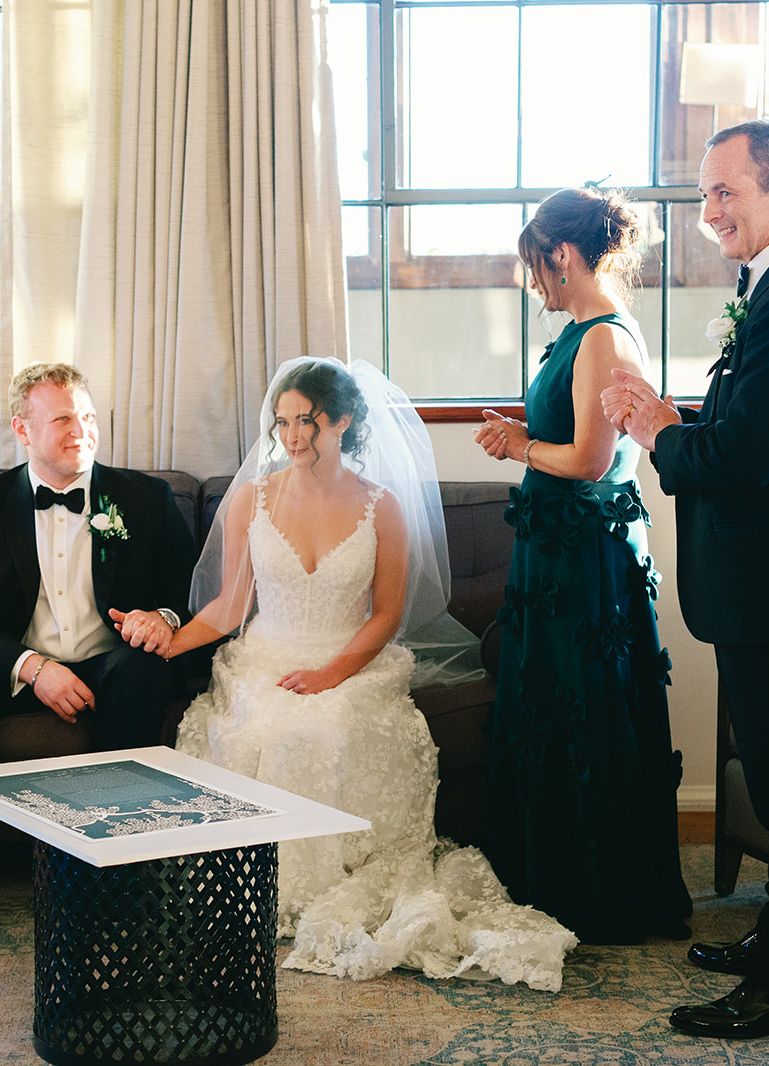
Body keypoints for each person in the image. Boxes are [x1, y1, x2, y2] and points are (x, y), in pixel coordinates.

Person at [160, 356, 576, 991]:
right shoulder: (251, 497)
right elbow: (229, 605)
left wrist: (332, 672)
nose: (294, 436)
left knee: (324, 728)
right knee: (262, 729)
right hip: (265, 657)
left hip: (351, 660)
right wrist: (169, 643)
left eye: (308, 421)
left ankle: (321, 884)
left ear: (344, 420)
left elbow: (386, 617)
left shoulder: (382, 507)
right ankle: (261, 886)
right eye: (283, 423)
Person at [602, 119, 769, 1038]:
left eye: (728, 191)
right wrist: (678, 417)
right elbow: (751, 424)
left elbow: (750, 454)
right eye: (707, 192)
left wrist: (656, 436)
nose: (709, 209)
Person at [0, 361, 197, 946]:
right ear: (23, 430)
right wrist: (34, 670)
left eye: (86, 416)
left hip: (110, 662)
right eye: (61, 418)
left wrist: (161, 620)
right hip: (16, 665)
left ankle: (112, 872)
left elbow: (191, 593)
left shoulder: (146, 499)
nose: (79, 429)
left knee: (142, 672)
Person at [471, 186, 691, 947]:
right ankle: (549, 876)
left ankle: (592, 890)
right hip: (558, 548)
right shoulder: (584, 333)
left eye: (536, 264)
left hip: (582, 557)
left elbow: (593, 462)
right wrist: (526, 427)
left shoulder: (602, 336)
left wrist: (517, 447)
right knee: (555, 710)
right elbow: (574, 417)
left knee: (579, 712)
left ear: (562, 254)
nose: (535, 281)